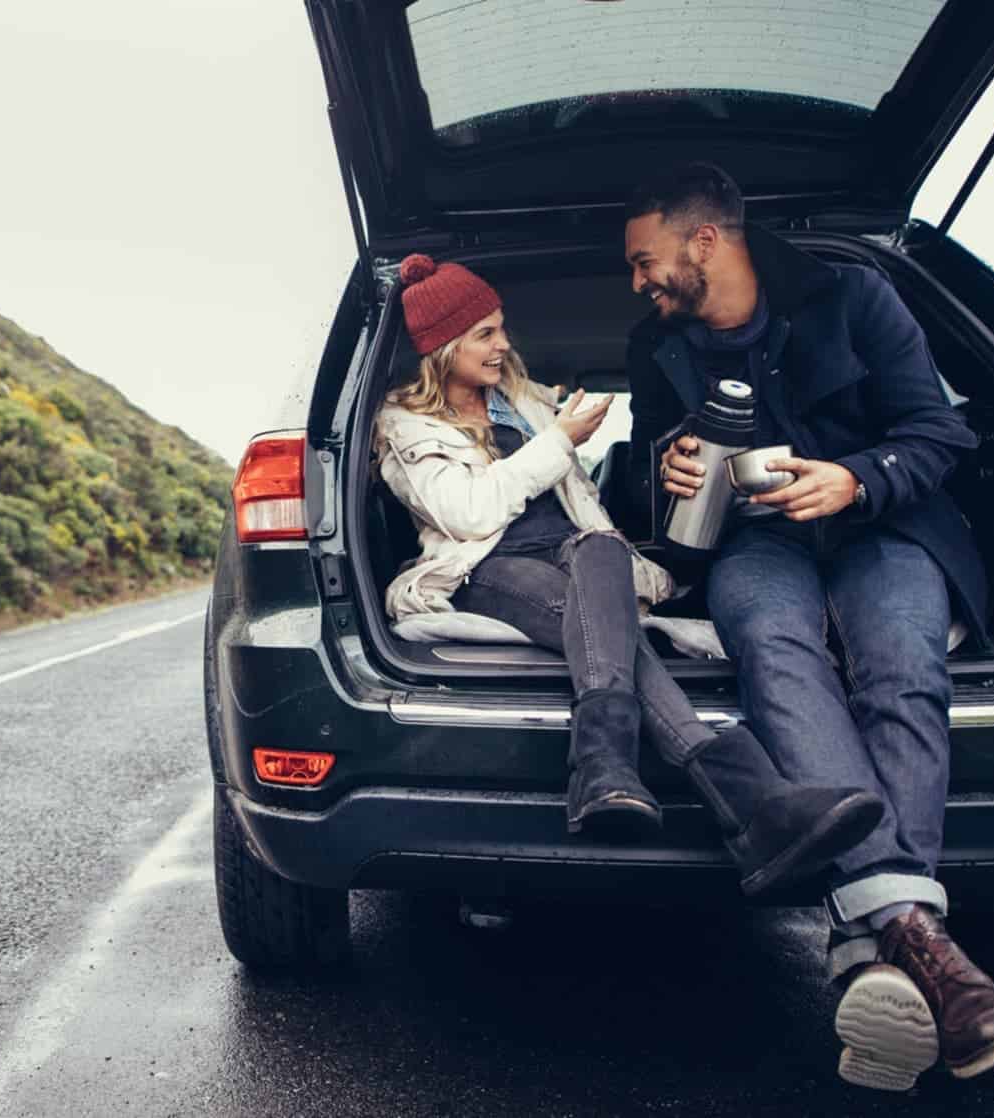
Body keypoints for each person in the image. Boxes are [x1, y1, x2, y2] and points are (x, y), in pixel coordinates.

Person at [622, 162, 994, 1089]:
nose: (640, 282)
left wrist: (856, 478)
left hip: (885, 524)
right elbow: (639, 482)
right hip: (753, 545)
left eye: (646, 261)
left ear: (705, 241)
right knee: (776, 652)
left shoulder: (855, 296)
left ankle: (872, 942)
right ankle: (917, 944)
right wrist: (672, 470)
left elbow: (938, 433)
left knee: (901, 667)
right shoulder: (654, 347)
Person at [373, 251, 882, 899]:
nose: (504, 344)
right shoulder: (404, 424)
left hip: (582, 561)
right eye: (486, 334)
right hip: (486, 570)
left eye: (503, 328)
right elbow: (468, 516)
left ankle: (607, 765)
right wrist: (559, 440)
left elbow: (588, 513)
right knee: (617, 633)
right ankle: (751, 804)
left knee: (602, 555)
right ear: (443, 347)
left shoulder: (523, 403)